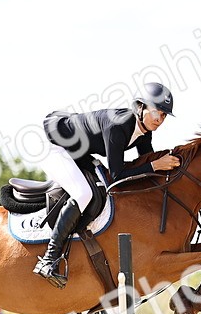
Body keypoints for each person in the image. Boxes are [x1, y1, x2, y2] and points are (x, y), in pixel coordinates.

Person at [32, 83, 181, 288]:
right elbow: (117, 174)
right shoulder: (119, 125)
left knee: (100, 186)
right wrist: (156, 165)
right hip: (56, 144)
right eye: (156, 112)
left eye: (164, 115)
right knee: (84, 193)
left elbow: (146, 164)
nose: (159, 119)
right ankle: (49, 260)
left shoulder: (145, 133)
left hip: (77, 148)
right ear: (141, 107)